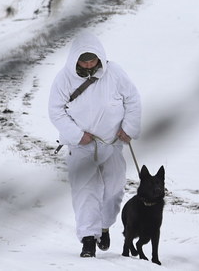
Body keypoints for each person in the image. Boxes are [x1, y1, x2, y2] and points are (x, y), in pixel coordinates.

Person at [47, 31, 142, 259]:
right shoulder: (63, 79)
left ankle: (104, 226)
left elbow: (133, 99)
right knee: (84, 191)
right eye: (84, 59)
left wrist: (128, 128)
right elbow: (55, 111)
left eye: (92, 59)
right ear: (75, 59)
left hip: (112, 143)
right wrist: (78, 135)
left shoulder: (115, 73)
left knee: (114, 189)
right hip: (81, 146)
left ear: (100, 56)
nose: (89, 63)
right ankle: (88, 239)